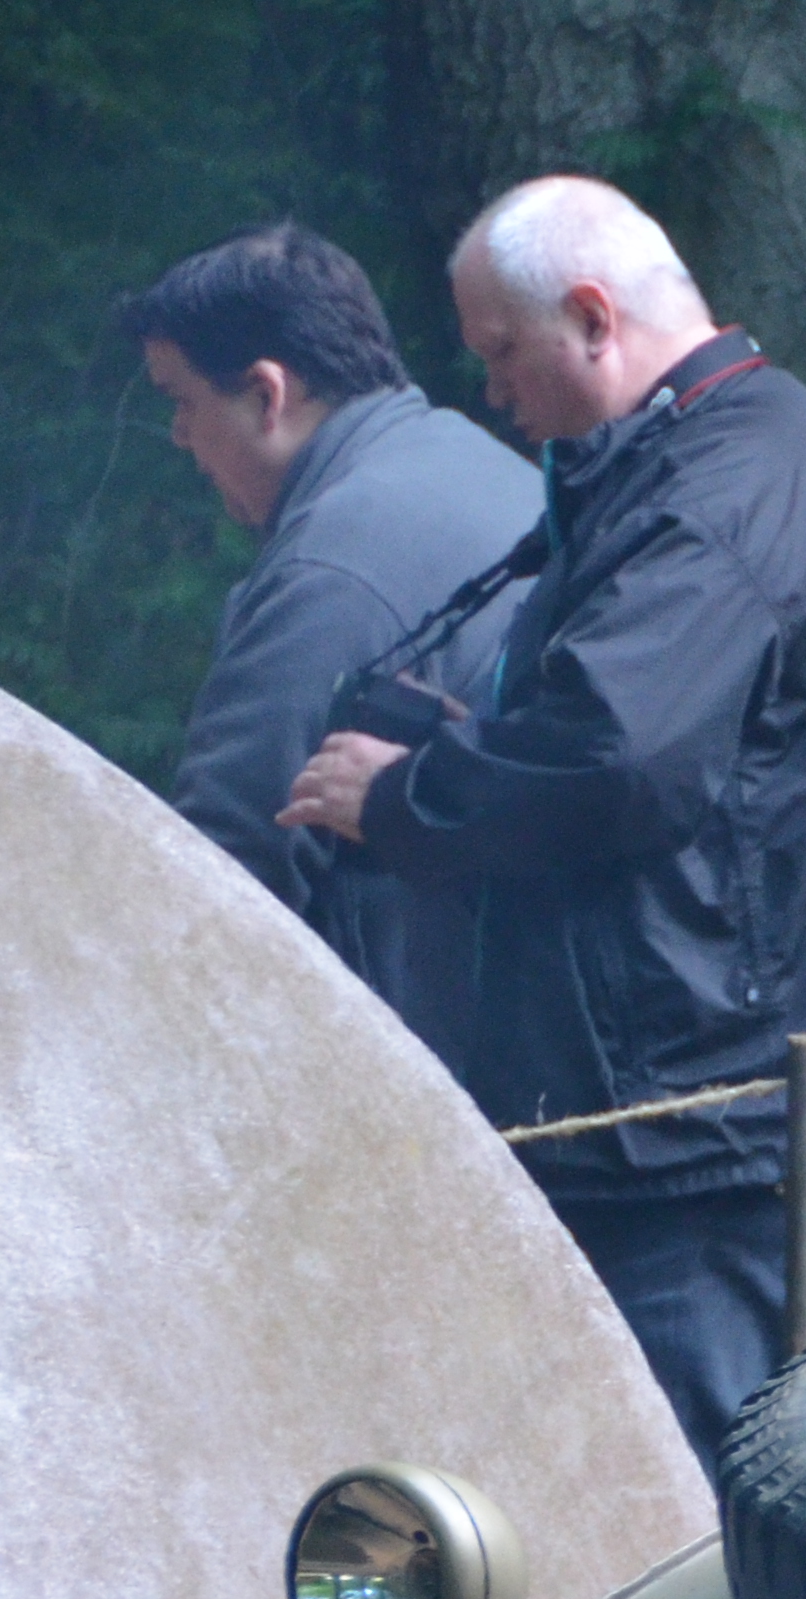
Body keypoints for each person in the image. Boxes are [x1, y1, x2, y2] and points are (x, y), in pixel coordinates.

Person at [277, 176, 806, 1473]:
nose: (492, 392)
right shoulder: (698, 459)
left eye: (503, 353)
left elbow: (621, 758)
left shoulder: (732, 484)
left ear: (591, 318)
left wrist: (402, 797)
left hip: (706, 1111)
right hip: (687, 1083)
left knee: (672, 1485)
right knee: (635, 1457)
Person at [121, 222, 534, 1026]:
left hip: (451, 1061)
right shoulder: (466, 459)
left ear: (267, 395)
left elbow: (222, 876)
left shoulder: (332, 569)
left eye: (182, 401)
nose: (177, 436)